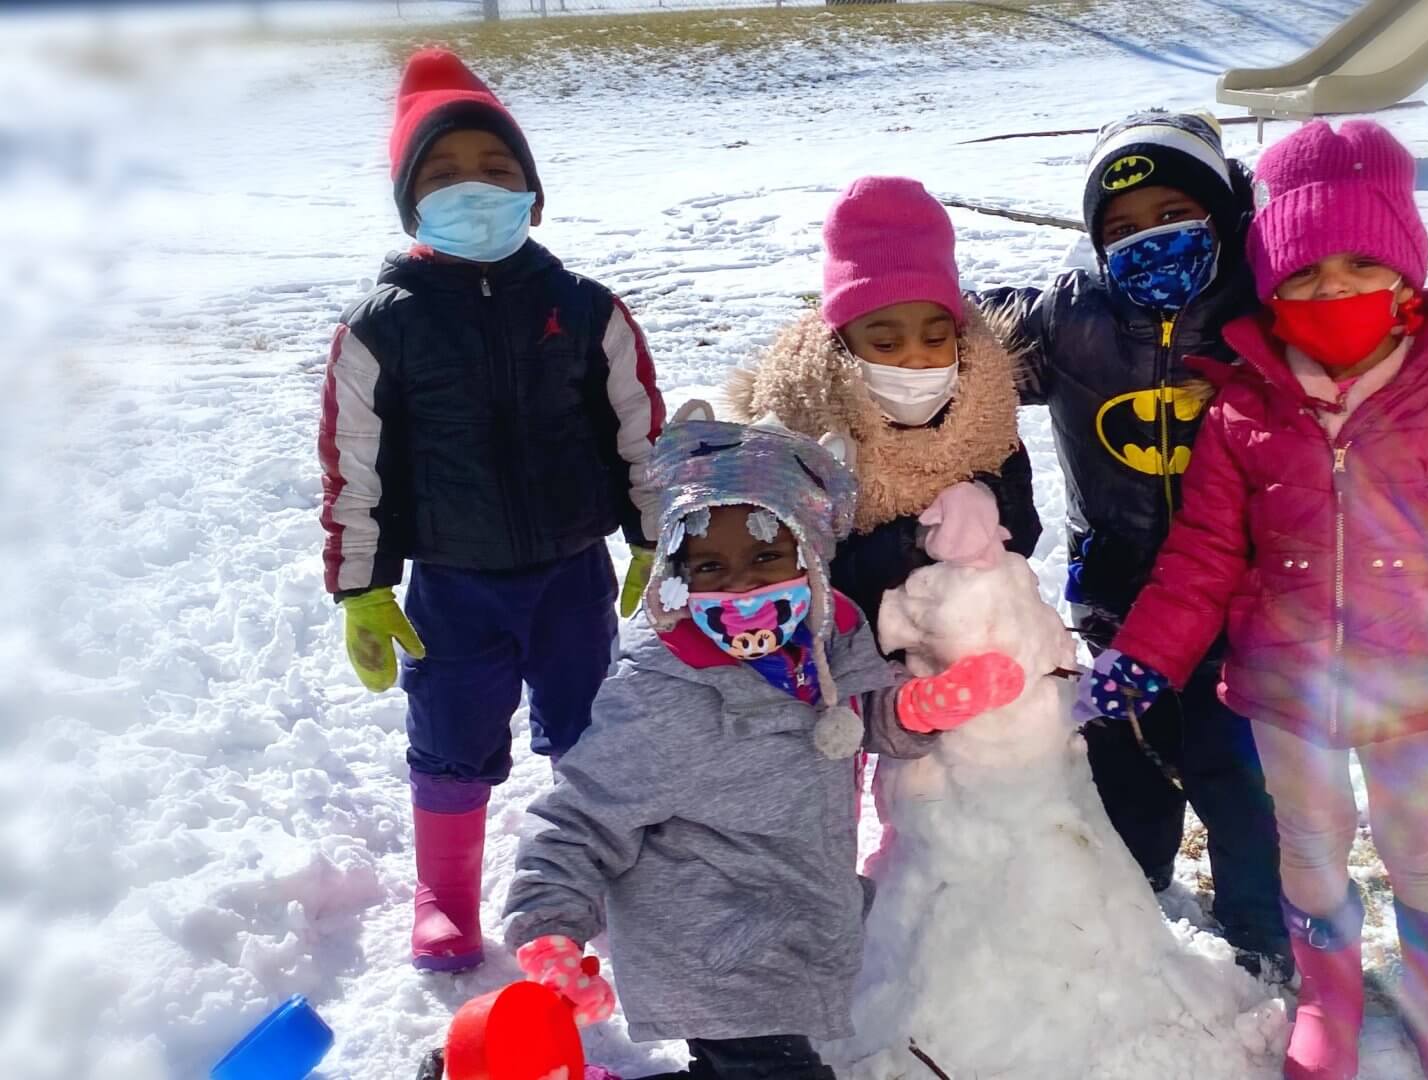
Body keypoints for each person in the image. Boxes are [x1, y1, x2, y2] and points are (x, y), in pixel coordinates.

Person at [975, 109, 1428, 983]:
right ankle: (1129, 895)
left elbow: (1404, 301)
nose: (1151, 240)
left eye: (1176, 214)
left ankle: (1266, 938)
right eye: (1121, 228)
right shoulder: (1077, 318)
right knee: (1131, 762)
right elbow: (964, 334)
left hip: (1259, 605)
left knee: (1247, 787)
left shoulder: (1263, 298)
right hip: (1123, 594)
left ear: (1232, 225)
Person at [502, 406, 1027, 1080]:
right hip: (711, 943)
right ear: (675, 572)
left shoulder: (826, 637)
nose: (742, 584)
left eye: (765, 556)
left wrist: (917, 708)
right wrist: (550, 921)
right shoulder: (665, 690)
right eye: (710, 566)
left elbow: (854, 718)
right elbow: (580, 814)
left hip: (796, 916)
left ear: (808, 556)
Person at [316, 48, 664, 972]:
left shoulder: (587, 310)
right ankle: (444, 895)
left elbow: (636, 429)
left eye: (497, 171)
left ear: (536, 197)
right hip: (453, 584)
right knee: (452, 734)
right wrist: (362, 587)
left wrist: (653, 535)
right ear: (410, 204)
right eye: (442, 174)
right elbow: (357, 467)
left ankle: (595, 871)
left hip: (572, 574)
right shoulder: (382, 325)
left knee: (591, 726)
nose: (473, 188)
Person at [729, 175, 1042, 629]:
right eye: (886, 345)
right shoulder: (796, 439)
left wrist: (988, 508)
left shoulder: (984, 419)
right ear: (842, 344)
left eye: (935, 338)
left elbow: (1025, 532)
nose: (917, 359)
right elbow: (786, 566)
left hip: (976, 655)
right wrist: (903, 546)